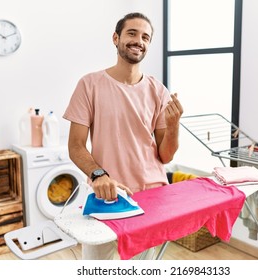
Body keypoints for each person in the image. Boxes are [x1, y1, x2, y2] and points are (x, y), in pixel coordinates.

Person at [63, 12, 183, 259]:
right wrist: (99, 175)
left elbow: (166, 155)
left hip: (151, 194)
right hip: (107, 194)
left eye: (145, 37)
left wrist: (173, 126)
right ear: (115, 38)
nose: (138, 40)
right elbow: (76, 146)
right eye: (132, 33)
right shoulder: (89, 84)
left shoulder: (157, 90)